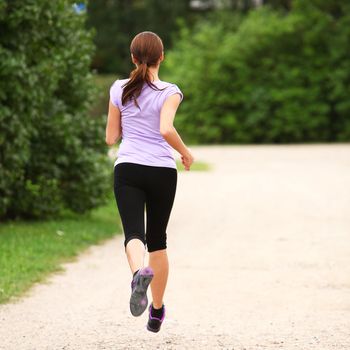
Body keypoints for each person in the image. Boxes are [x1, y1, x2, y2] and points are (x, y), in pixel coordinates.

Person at [105, 31, 194, 333]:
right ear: (162, 57)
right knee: (158, 240)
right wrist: (185, 152)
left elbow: (110, 138)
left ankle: (136, 275)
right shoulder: (170, 91)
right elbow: (166, 129)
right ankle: (156, 310)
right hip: (161, 171)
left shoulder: (118, 88)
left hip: (128, 167)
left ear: (132, 57)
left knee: (133, 233)